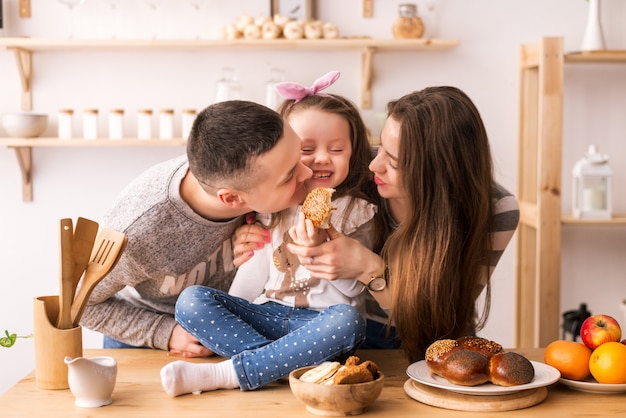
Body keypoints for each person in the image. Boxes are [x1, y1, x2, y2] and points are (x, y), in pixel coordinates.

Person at [240, 86, 520, 363]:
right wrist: (246, 227)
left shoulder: (497, 210)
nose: (375, 165)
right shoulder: (354, 172)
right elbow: (263, 187)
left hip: (432, 340)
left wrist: (369, 269)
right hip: (349, 334)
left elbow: (442, 319)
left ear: (440, 176)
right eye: (381, 146)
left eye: (395, 163)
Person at [159, 71, 385, 396]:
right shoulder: (273, 205)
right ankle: (280, 365)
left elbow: (352, 292)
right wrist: (230, 311)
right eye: (307, 149)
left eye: (336, 150)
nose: (321, 158)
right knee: (192, 301)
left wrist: (327, 247)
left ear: (354, 153)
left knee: (348, 322)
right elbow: (254, 272)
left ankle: (232, 372)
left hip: (318, 325)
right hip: (267, 313)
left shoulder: (359, 212)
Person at [79, 100, 312, 357]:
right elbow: (80, 305)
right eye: (290, 175)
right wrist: (165, 332)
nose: (308, 171)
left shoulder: (247, 175)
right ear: (232, 200)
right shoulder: (136, 233)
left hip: (231, 327)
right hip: (154, 344)